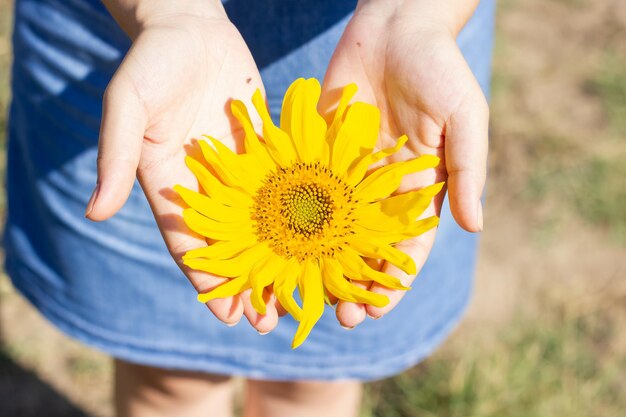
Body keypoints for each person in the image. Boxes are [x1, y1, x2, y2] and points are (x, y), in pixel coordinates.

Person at [4, 0, 495, 415]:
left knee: (312, 384)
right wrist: (170, 13)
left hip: (386, 75)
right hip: (141, 47)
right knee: (168, 375)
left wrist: (411, 16)